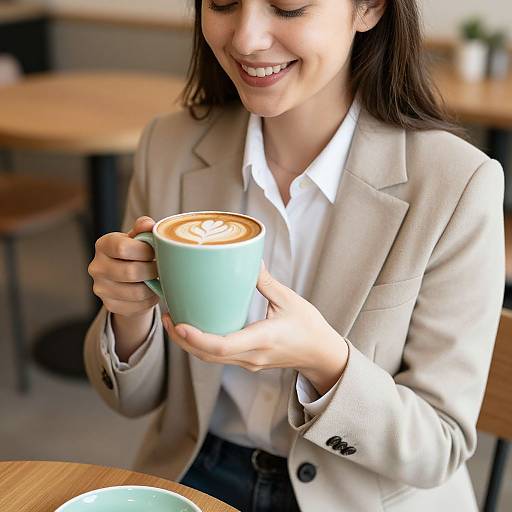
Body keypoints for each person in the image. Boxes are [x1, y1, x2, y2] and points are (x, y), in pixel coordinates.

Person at [84, 0, 505, 510]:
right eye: (222, 3)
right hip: (196, 474)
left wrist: (326, 363)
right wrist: (128, 316)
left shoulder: (456, 184)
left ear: (370, 8)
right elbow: (127, 400)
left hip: (362, 492)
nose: (245, 38)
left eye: (288, 7)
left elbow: (440, 447)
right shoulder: (168, 146)